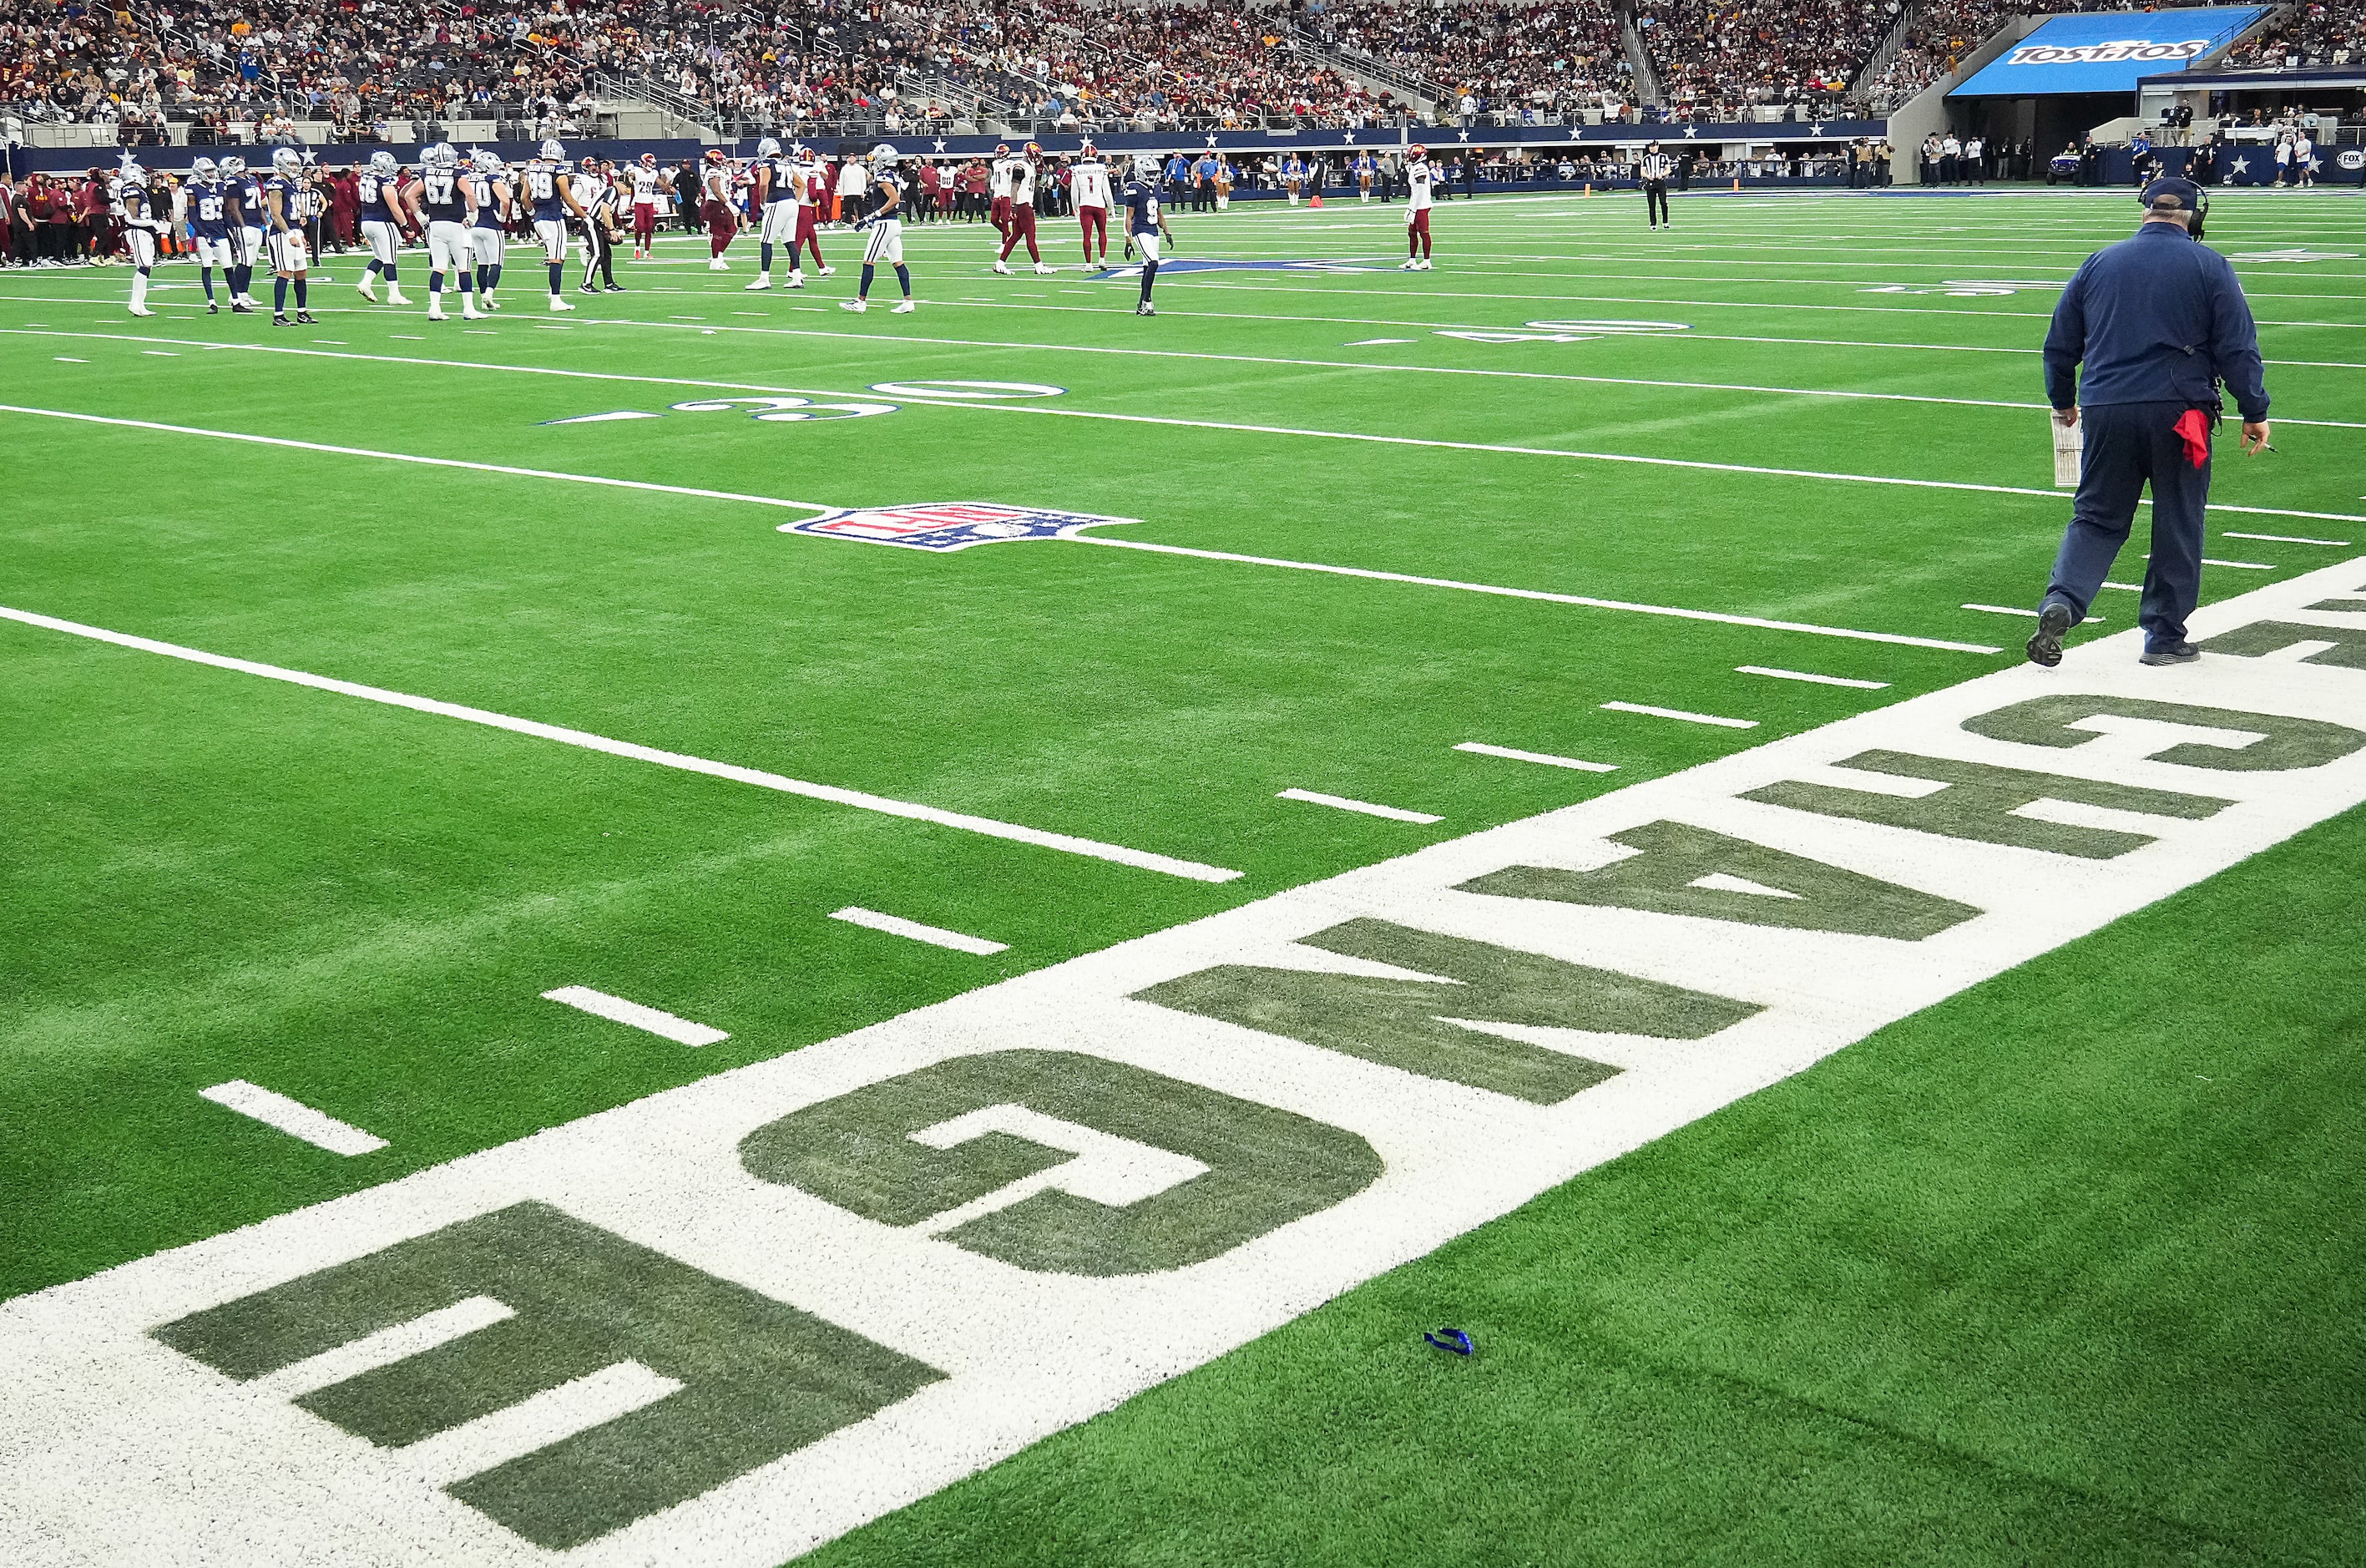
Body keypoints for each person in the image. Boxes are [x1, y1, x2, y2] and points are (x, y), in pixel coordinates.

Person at [2027, 179, 2271, 670]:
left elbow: (2059, 344)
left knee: (2097, 516)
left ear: (2145, 212)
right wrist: (2254, 409)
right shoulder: (2209, 264)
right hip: (2183, 413)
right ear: (2193, 216)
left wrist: (2063, 401)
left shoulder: (2099, 262)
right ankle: (2163, 636)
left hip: (2107, 407)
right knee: (2178, 518)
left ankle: (2064, 602)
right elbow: (2237, 346)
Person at [407, 142, 482, 321]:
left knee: (438, 268)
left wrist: (420, 217)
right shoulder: (459, 173)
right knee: (464, 268)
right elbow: (470, 195)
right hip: (456, 225)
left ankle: (434, 308)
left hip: (436, 225)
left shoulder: (427, 173)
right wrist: (473, 215)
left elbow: (409, 195)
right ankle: (469, 309)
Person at [840, 143, 915, 314]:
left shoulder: (883, 177)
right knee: (898, 262)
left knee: (868, 260)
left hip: (885, 224)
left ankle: (860, 301)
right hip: (894, 223)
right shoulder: (894, 176)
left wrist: (871, 217)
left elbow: (894, 199)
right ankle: (908, 301)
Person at [527, 139, 590, 309]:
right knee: (557, 258)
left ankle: (552, 292)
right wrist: (585, 216)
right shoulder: (559, 172)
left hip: (539, 218)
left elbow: (524, 198)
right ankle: (555, 299)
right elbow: (569, 199)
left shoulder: (532, 170)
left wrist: (533, 214)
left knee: (555, 256)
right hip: (553, 217)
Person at [261, 146, 316, 326]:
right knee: (285, 272)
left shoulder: (290, 184)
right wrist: (289, 233)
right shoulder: (276, 184)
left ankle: (302, 312)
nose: (294, 168)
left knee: (301, 272)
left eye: (295, 165)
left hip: (294, 230)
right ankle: (278, 315)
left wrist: (300, 220)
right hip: (281, 233)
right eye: (291, 164)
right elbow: (276, 215)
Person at [1120, 154, 1174, 316]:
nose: (1154, 176)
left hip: (1153, 231)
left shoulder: (1157, 188)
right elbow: (1128, 215)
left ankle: (1142, 304)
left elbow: (1159, 213)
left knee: (1148, 268)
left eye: (1154, 173)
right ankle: (1147, 301)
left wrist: (1167, 232)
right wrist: (1128, 239)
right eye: (1150, 173)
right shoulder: (1134, 188)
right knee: (1154, 262)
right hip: (1140, 230)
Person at [746, 136, 802, 290]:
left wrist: (763, 202)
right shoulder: (787, 164)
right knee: (790, 241)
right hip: (791, 202)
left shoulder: (766, 164)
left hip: (777, 202)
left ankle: (764, 278)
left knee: (766, 240)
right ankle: (797, 277)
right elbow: (801, 185)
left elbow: (764, 183)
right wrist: (793, 201)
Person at [355, 149, 410, 304]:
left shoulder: (365, 177)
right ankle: (394, 295)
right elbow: (394, 208)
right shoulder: (385, 182)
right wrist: (406, 225)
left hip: (366, 222)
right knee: (390, 260)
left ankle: (365, 283)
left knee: (380, 257)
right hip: (382, 223)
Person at [994, 142, 1053, 275]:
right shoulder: (1020, 166)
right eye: (1036, 155)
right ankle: (1039, 266)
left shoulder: (1028, 167)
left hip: (1023, 204)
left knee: (1015, 236)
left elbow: (1035, 187)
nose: (1038, 158)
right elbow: (1014, 188)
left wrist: (1038, 174)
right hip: (1023, 206)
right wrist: (1013, 207)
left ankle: (1000, 263)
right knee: (1030, 237)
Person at [468, 149, 513, 309]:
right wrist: (502, 217)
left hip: (475, 225)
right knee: (496, 263)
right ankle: (489, 294)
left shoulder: (469, 178)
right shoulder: (493, 179)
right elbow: (505, 201)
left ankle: (482, 299)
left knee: (481, 264)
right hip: (492, 226)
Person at [1072, 141, 1112, 267]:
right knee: (1102, 232)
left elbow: (1074, 193)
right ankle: (1102, 260)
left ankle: (1088, 264)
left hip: (1085, 204)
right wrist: (1111, 208)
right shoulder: (1101, 169)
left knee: (1086, 236)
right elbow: (1107, 191)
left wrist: (1076, 209)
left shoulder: (1077, 170)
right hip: (1099, 204)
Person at [1402, 143, 1435, 270]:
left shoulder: (1420, 168)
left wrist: (1413, 209)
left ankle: (1427, 261)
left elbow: (1420, 191)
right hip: (1416, 204)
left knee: (1424, 233)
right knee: (1411, 233)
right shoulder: (1416, 167)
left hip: (1421, 206)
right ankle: (1412, 259)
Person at [1641, 141, 1672, 229]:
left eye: (1653, 146)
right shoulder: (1646, 158)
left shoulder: (1664, 157)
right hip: (1650, 182)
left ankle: (1665, 222)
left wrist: (1661, 174)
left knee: (1663, 202)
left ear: (1657, 146)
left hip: (1660, 181)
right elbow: (1642, 171)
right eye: (1650, 146)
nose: (1652, 148)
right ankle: (1653, 223)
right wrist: (1647, 175)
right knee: (1651, 204)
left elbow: (1668, 169)